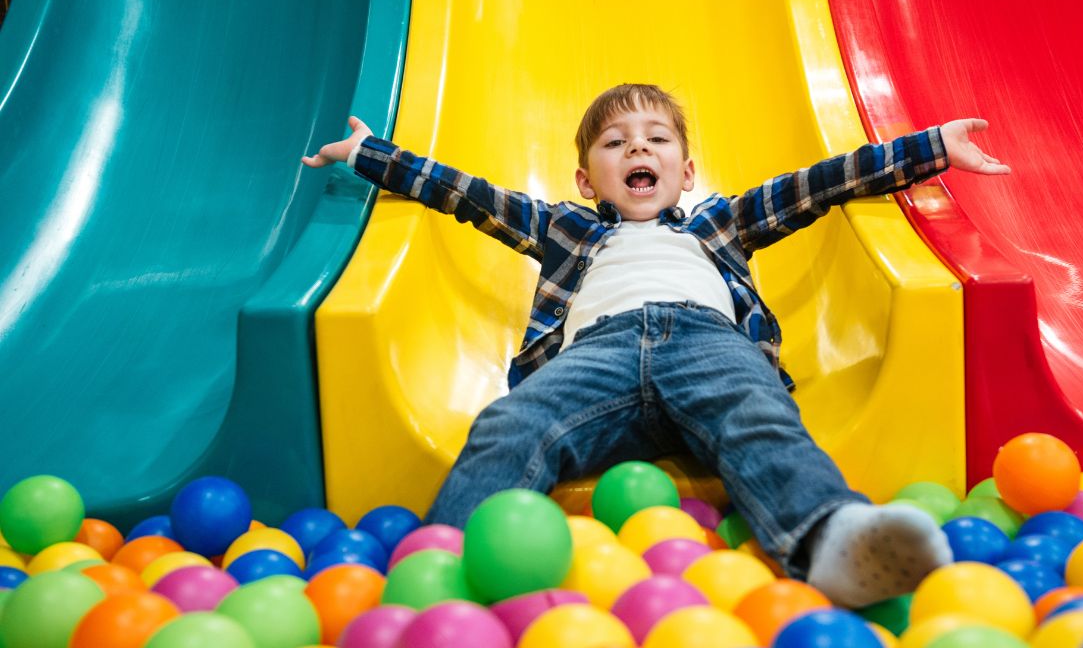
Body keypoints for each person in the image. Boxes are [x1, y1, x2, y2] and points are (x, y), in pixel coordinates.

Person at [303, 84, 1010, 607]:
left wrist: (933, 148)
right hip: (595, 356)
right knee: (511, 422)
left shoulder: (718, 223)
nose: (637, 148)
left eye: (656, 139)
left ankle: (830, 538)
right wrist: (372, 154)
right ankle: (443, 577)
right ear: (587, 181)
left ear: (686, 171)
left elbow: (819, 184)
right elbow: (471, 196)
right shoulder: (567, 230)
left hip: (708, 341)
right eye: (615, 143)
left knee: (758, 413)